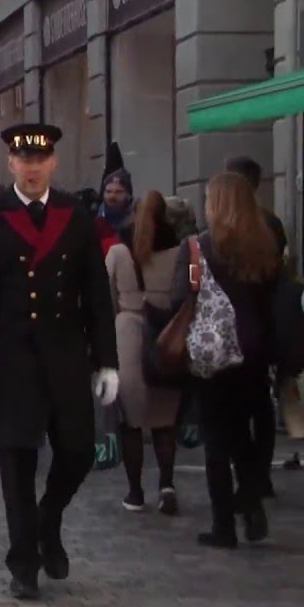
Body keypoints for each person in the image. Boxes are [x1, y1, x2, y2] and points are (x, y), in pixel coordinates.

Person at [0, 123, 118, 600]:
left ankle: (48, 521)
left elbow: (95, 293)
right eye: (24, 160)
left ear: (53, 163)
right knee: (17, 465)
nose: (32, 168)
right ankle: (23, 563)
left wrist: (106, 360)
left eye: (40, 160)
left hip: (65, 356)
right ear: (11, 163)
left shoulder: (74, 215)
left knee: (79, 451)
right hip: (9, 362)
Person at [169, 172, 280, 549]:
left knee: (217, 440)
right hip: (255, 352)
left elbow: (180, 298)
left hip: (213, 354)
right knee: (245, 435)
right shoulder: (265, 247)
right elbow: (274, 302)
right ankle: (250, 503)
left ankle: (223, 526)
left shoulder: (197, 248)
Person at [105, 191, 182, 514]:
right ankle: (167, 484)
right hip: (167, 334)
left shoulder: (119, 251)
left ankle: (135, 492)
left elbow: (105, 298)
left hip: (128, 333)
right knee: (165, 419)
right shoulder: (180, 251)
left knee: (131, 421)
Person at [224, 155, 286, 501]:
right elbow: (278, 275)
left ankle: (247, 477)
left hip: (230, 329)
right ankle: (259, 475)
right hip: (262, 327)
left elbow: (198, 278)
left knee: (233, 410)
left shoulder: (221, 230)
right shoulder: (271, 225)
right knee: (260, 403)